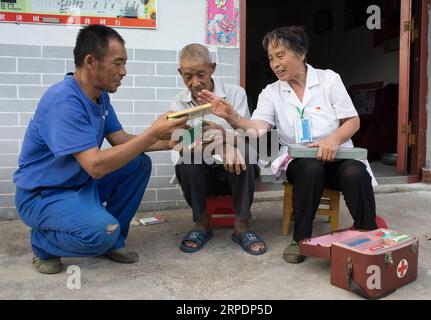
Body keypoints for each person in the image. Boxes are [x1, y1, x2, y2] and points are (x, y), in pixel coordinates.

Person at [13, 25, 187, 274]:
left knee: (138, 163)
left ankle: (112, 241)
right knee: (99, 234)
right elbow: (95, 165)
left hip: (78, 185)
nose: (123, 72)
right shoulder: (63, 101)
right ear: (90, 61)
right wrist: (152, 132)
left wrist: (167, 142)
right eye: (118, 63)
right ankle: (42, 243)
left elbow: (120, 140)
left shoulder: (100, 96)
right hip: (43, 195)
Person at [199, 26, 378, 263]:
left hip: (337, 155)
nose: (275, 64)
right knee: (310, 169)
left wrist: (332, 140)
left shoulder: (329, 80)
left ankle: (368, 234)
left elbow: (352, 121)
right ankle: (301, 239)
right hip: (300, 161)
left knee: (355, 172)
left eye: (280, 55)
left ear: (301, 53)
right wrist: (232, 116)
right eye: (271, 58)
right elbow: (257, 129)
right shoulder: (272, 92)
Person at [171, 44, 266, 255]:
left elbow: (247, 136)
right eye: (187, 77)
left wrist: (224, 138)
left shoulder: (234, 94)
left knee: (247, 153)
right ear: (180, 74)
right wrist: (221, 145)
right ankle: (201, 223)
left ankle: (242, 225)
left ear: (212, 68)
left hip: (237, 174)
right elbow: (182, 141)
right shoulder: (180, 101)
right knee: (187, 158)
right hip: (202, 177)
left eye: (201, 74)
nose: (195, 83)